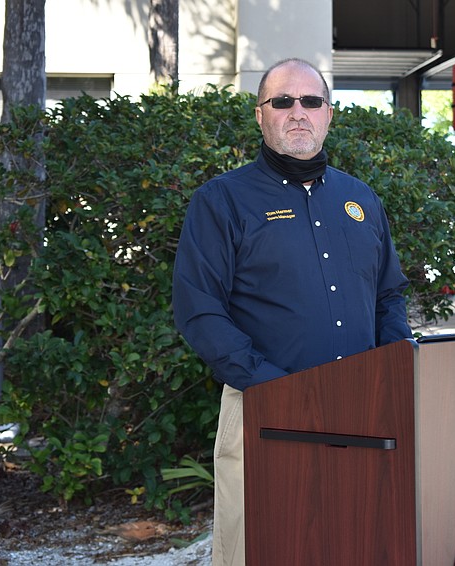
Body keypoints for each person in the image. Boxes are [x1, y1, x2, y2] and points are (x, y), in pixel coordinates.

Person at [172, 58, 413, 566]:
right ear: (261, 115)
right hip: (266, 412)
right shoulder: (221, 202)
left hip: (362, 411)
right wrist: (274, 389)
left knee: (359, 542)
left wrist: (393, 376)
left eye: (311, 101)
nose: (297, 112)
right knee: (261, 548)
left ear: (329, 114)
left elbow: (388, 297)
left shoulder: (361, 199)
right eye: (282, 101)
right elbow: (200, 311)